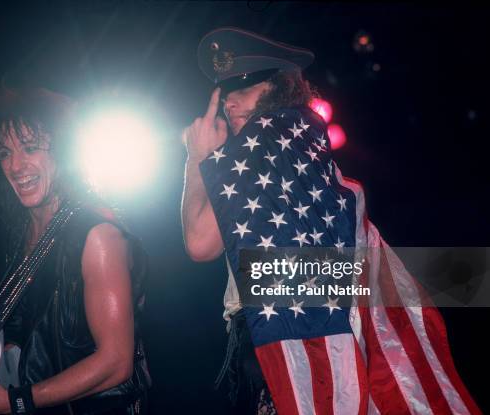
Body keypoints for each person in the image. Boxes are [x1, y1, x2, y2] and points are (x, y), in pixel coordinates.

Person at [182, 27, 480, 414]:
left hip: (281, 341)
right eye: (226, 98)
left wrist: (196, 159)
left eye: (242, 91)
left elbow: (198, 243)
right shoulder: (310, 157)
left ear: (277, 88)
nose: (231, 106)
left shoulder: (267, 144)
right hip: (305, 338)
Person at [0, 87, 150, 414]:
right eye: (4, 153)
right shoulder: (24, 234)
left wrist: (15, 402)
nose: (15, 166)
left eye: (30, 148)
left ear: (64, 152)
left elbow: (116, 362)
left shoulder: (97, 235)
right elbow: (31, 340)